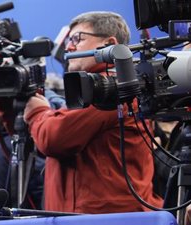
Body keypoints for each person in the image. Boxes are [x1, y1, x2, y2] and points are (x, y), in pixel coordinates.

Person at [23, 11, 162, 213]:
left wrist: (37, 112)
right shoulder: (89, 90)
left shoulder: (111, 89)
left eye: (77, 39)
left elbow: (54, 137)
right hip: (81, 223)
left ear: (109, 44)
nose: (69, 47)